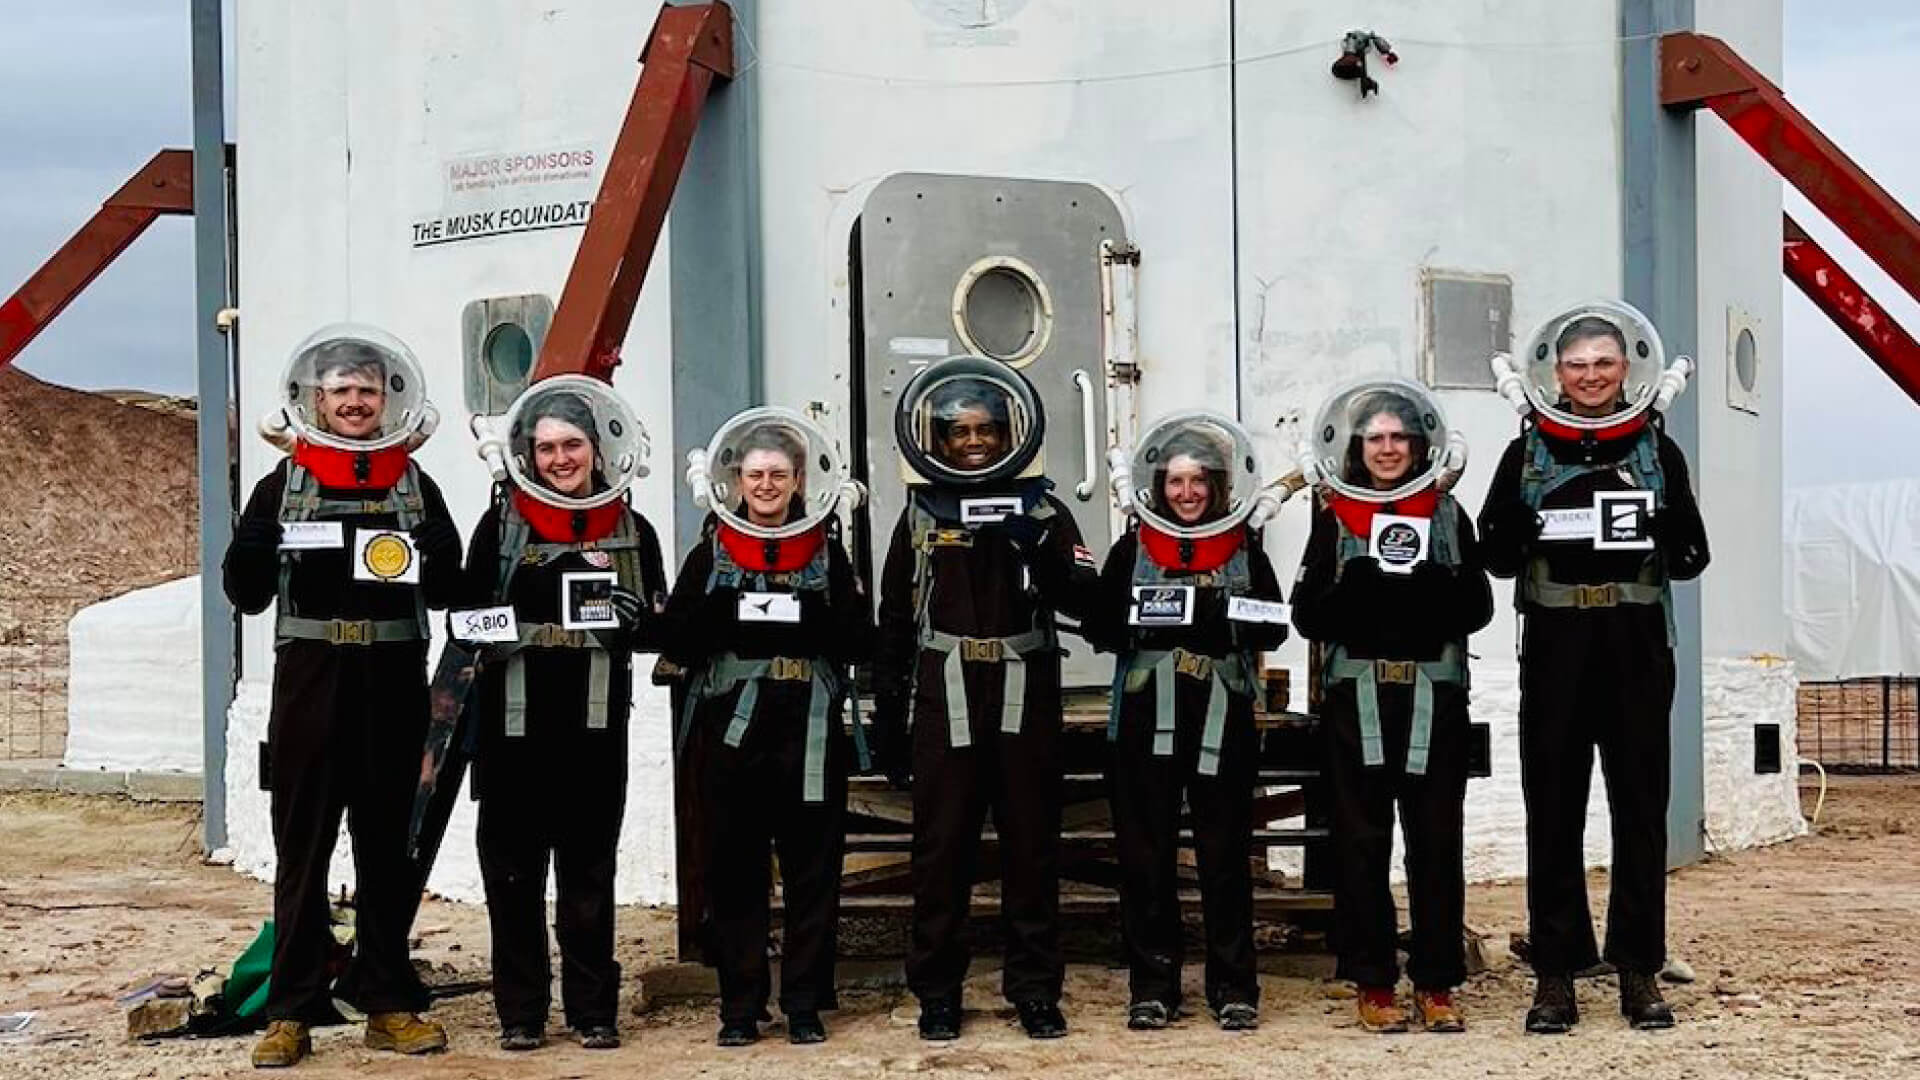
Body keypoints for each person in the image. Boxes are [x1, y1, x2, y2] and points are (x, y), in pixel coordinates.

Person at [222, 326, 461, 1068]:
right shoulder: (281, 485)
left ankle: (387, 1001)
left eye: (367, 390)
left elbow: (453, 589)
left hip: (391, 683)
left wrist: (437, 556)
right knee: (304, 846)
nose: (355, 402)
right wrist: (260, 543)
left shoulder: (415, 486)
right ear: (315, 401)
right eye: (341, 391)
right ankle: (291, 1011)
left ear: (388, 400)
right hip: (311, 681)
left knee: (388, 848)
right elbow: (245, 592)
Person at [1479, 302, 1710, 1033]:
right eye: (1577, 365)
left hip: (1636, 642)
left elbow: (1692, 558)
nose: (1589, 377)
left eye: (1603, 363)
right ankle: (1557, 973)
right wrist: (1509, 528)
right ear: (1554, 371)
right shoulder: (1526, 454)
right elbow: (1495, 557)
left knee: (1640, 809)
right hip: (1555, 643)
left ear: (1626, 369)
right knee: (1553, 809)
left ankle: (1638, 969)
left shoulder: (1657, 450)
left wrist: (1673, 526)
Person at [869, 356, 1098, 1041]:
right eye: (958, 430)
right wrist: (887, 717)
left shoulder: (1045, 512)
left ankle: (1034, 990)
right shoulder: (918, 518)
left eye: (986, 430)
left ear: (1009, 436)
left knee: (1033, 847)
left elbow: (1089, 605)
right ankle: (937, 990)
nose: (973, 440)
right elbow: (892, 621)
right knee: (941, 852)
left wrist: (1045, 553)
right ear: (936, 441)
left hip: (1026, 701)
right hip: (946, 701)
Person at [461, 377, 666, 1051]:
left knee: (588, 876)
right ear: (528, 453)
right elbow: (464, 620)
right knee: (513, 876)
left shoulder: (633, 531)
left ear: (598, 448)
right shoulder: (500, 527)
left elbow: (659, 628)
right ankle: (521, 1014)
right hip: (512, 731)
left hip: (594, 732)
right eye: (545, 447)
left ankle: (592, 1011)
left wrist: (635, 623)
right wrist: (520, 622)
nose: (559, 459)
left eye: (571, 444)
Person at [664, 408, 873, 1046]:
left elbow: (859, 638)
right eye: (755, 474)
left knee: (814, 872)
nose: (766, 486)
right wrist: (716, 618)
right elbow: (674, 636)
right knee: (734, 872)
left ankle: (805, 1004)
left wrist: (816, 624)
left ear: (798, 477)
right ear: (735, 478)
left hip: (807, 734)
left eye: (778, 474)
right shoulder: (711, 554)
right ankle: (740, 1006)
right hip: (731, 738)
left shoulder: (828, 553)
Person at [1291, 377, 1492, 1033]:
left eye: (1397, 436)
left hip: (1434, 700)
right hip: (1359, 704)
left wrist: (1430, 583)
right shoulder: (1335, 519)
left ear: (1417, 442)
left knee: (1436, 844)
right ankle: (1374, 982)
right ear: (1357, 446)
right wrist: (1357, 588)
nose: (1386, 448)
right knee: (1361, 844)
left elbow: (1478, 607)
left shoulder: (1446, 515)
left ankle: (1437, 983)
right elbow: (1307, 616)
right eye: (1374, 437)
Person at [1087, 413, 1290, 1032]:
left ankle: (1234, 987)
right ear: (1158, 486)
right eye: (1175, 481)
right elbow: (1098, 626)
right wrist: (1137, 619)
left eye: (1199, 480)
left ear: (1220, 486)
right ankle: (1153, 986)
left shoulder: (1243, 548)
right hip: (1146, 720)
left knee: (1223, 855)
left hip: (1219, 721)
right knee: (1144, 858)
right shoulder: (1134, 547)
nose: (1187, 493)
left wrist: (1224, 610)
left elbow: (1275, 622)